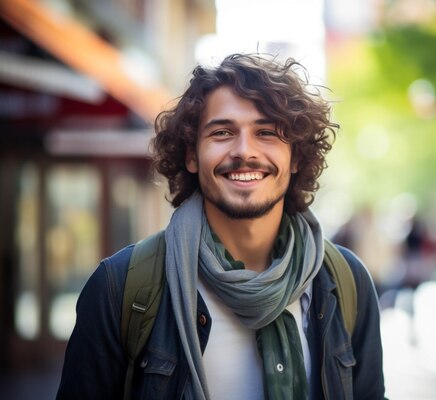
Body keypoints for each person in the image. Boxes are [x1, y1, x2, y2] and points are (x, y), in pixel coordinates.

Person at [56, 53, 385, 400]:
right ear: (192, 155)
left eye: (267, 132)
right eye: (223, 132)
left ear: (296, 157)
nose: (245, 151)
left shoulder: (346, 282)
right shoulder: (119, 288)